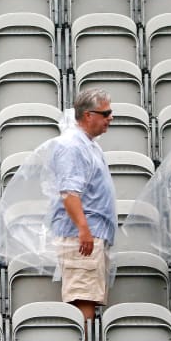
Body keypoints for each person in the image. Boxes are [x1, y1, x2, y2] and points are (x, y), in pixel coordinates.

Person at [47, 88, 117, 320]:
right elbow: (69, 192)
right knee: (82, 297)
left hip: (90, 235)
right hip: (81, 237)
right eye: (105, 113)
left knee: (89, 296)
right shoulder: (72, 146)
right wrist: (83, 229)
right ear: (88, 115)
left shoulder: (88, 144)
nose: (110, 118)